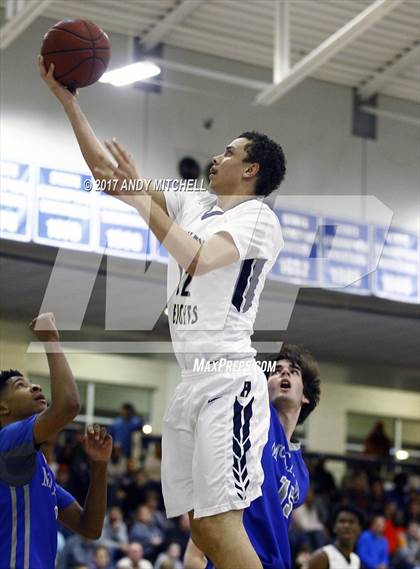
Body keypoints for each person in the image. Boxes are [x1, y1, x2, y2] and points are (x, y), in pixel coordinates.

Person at [39, 57, 286, 569]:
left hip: (230, 380)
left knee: (220, 526)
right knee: (204, 529)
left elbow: (196, 257)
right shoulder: (195, 204)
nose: (216, 158)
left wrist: (142, 205)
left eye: (229, 152)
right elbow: (109, 176)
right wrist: (69, 101)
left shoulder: (259, 217)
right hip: (192, 383)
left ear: (251, 169)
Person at [184, 344, 321, 569]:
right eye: (276, 371)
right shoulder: (253, 426)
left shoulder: (301, 472)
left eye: (293, 371)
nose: (284, 373)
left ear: (306, 396)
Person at [0, 312, 112, 569]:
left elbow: (90, 527)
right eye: (21, 385)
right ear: (2, 407)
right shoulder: (7, 444)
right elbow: (68, 405)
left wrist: (99, 465)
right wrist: (51, 340)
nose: (35, 387)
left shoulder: (35, 465)